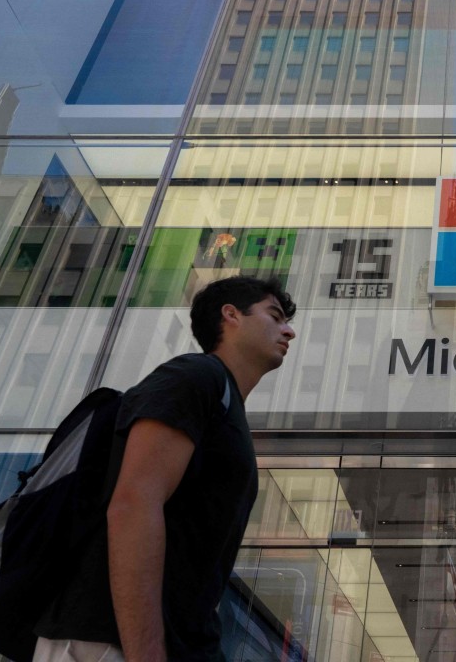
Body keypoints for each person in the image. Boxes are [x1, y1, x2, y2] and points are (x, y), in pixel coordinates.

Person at [33, 276, 297, 662]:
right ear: (231, 315)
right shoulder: (196, 377)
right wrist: (147, 653)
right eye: (274, 316)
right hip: (108, 642)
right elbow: (133, 505)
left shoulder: (225, 404)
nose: (288, 330)